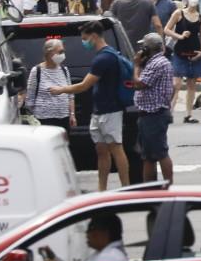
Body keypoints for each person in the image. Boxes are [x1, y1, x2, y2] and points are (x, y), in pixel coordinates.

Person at [50, 23, 130, 189]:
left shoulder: (104, 58)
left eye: (85, 38)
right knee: (101, 150)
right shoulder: (103, 55)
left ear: (94, 36)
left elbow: (84, 85)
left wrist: (61, 90)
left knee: (116, 148)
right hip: (99, 110)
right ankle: (102, 188)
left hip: (110, 110)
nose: (84, 42)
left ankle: (125, 187)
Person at [133, 34, 175, 184]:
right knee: (148, 156)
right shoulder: (152, 63)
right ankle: (150, 188)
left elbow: (139, 83)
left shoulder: (158, 63)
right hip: (148, 113)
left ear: (147, 48)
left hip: (154, 114)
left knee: (160, 153)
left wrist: (136, 65)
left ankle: (168, 185)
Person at [164, 0, 201, 120]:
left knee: (191, 85)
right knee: (176, 84)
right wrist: (180, 36)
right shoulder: (179, 13)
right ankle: (168, 112)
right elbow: (167, 29)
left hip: (194, 53)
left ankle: (189, 114)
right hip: (179, 52)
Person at [21, 36, 71, 131]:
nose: (62, 55)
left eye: (63, 52)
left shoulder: (64, 69)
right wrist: (32, 119)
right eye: (60, 52)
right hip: (44, 119)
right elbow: (30, 98)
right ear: (49, 53)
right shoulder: (37, 71)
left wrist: (72, 115)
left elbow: (70, 95)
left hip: (64, 117)